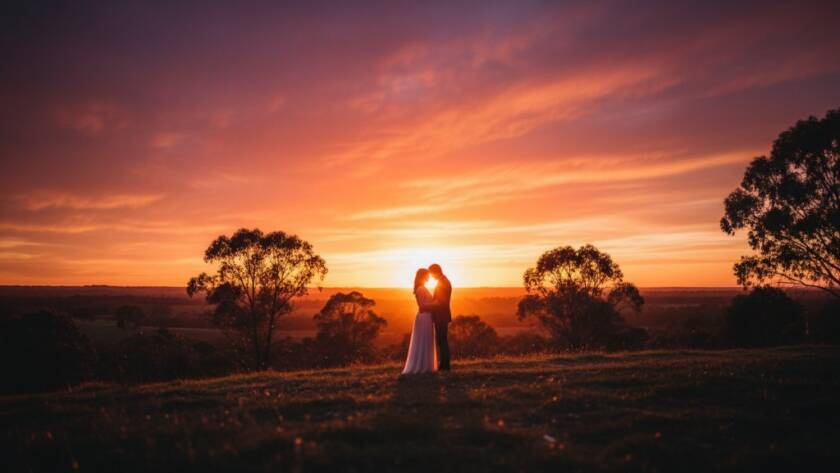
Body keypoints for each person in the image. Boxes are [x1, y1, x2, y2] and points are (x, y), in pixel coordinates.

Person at [401, 268, 437, 374]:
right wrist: (435, 304)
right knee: (424, 341)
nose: (429, 277)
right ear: (423, 276)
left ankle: (425, 365)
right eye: (427, 275)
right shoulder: (421, 289)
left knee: (425, 341)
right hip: (424, 317)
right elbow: (422, 306)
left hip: (426, 317)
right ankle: (422, 366)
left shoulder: (422, 288)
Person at [428, 263, 452, 371]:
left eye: (432, 274)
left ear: (436, 272)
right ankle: (444, 364)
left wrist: (426, 306)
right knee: (441, 340)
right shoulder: (443, 281)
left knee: (442, 340)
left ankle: (445, 365)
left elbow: (441, 302)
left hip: (441, 315)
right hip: (441, 315)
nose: (432, 277)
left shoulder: (443, 283)